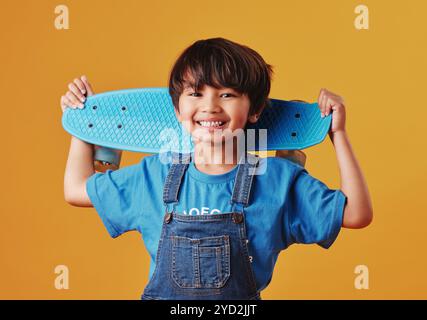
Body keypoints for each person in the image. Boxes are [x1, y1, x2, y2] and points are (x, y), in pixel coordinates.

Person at [62, 37, 373, 300]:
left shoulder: (277, 180)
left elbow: (357, 213)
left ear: (255, 110)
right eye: (195, 93)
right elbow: (76, 189)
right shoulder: (156, 175)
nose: (210, 106)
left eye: (227, 94)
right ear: (177, 108)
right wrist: (83, 124)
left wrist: (338, 134)